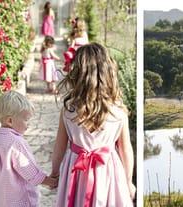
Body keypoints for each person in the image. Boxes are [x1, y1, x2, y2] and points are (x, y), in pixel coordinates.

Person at [51, 43, 136, 206]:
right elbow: (125, 150)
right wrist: (128, 181)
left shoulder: (69, 110)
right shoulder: (118, 110)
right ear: (108, 72)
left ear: (78, 73)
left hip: (76, 172)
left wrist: (55, 174)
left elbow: (59, 147)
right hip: (108, 172)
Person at [0, 91, 58, 206]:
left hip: (0, 200)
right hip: (20, 201)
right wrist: (51, 182)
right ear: (10, 121)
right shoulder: (16, 143)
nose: (28, 124)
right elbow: (30, 172)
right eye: (26, 120)